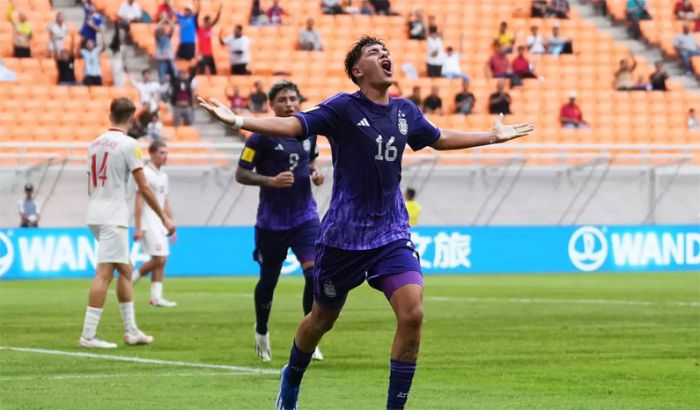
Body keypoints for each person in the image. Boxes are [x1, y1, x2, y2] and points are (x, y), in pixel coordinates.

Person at [198, 35, 533, 410]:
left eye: (386, 51)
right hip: (343, 238)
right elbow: (296, 125)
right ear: (358, 71)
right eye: (375, 53)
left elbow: (438, 139)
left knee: (413, 313)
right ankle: (291, 377)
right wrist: (239, 120)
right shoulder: (342, 108)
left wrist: (491, 136)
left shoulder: (405, 112)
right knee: (321, 319)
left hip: (391, 234)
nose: (385, 55)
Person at [234, 80, 325, 362]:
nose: (289, 104)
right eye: (283, 100)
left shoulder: (309, 132)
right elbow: (241, 173)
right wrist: (270, 180)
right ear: (272, 105)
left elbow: (309, 160)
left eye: (293, 99)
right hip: (272, 222)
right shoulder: (260, 136)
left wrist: (315, 172)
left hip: (305, 217)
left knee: (314, 273)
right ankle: (261, 330)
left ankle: (309, 335)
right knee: (269, 280)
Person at [80, 97, 175, 349]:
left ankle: (131, 331)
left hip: (95, 212)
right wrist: (164, 217)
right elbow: (143, 186)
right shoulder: (130, 145)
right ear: (132, 118)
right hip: (114, 216)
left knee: (125, 269)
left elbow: (90, 183)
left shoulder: (94, 144)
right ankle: (88, 335)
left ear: (110, 114)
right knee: (104, 273)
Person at [133, 140, 177, 307]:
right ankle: (128, 282)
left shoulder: (163, 176)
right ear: (151, 154)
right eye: (161, 153)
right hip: (147, 221)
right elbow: (138, 200)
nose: (165, 156)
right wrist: (137, 226)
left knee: (162, 260)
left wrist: (171, 224)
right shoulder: (145, 173)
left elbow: (165, 201)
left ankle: (156, 298)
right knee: (159, 258)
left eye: (166, 153)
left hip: (160, 222)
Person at [196, 1, 222, 75]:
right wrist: (198, 10)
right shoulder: (200, 30)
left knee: (214, 72)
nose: (210, 23)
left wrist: (219, 12)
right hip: (202, 54)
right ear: (205, 21)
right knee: (202, 71)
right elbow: (195, 20)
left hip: (210, 54)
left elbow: (215, 21)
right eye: (209, 21)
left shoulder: (209, 29)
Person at [155, 16, 176, 82]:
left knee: (175, 75)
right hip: (162, 61)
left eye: (162, 30)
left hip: (169, 60)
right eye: (161, 30)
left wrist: (168, 20)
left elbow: (172, 28)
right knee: (162, 78)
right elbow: (157, 29)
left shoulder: (168, 37)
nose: (162, 31)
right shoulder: (158, 38)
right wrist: (162, 21)